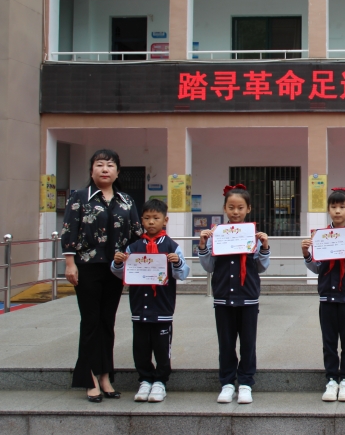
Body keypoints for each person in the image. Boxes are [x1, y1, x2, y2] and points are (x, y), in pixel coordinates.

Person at [61, 149, 143, 402]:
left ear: (117, 172)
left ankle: (105, 375)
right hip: (87, 266)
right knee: (91, 321)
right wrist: (70, 264)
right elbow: (69, 232)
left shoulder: (126, 200)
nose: (105, 169)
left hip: (115, 269)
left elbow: (136, 234)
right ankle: (90, 378)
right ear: (91, 170)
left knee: (107, 321)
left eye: (110, 165)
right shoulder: (79, 197)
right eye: (99, 164)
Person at [111, 198, 190, 402]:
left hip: (162, 308)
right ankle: (145, 379)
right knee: (140, 347)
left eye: (156, 218)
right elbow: (121, 274)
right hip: (139, 308)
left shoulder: (172, 246)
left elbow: (183, 274)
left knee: (162, 347)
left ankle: (160, 382)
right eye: (147, 218)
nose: (151, 222)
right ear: (141, 221)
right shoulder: (133, 247)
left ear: (165, 220)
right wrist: (118, 263)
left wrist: (177, 263)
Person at [198, 184, 271, 405]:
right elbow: (209, 266)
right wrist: (203, 245)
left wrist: (264, 247)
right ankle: (227, 384)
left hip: (248, 296)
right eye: (231, 207)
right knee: (226, 343)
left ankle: (246, 383)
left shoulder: (254, 236)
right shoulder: (216, 235)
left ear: (249, 209)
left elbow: (261, 267)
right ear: (225, 208)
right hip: (223, 297)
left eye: (240, 207)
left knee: (248, 343)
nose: (236, 212)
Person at [301, 187, 345, 402]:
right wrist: (306, 253)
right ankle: (332, 380)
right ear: (328, 210)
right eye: (333, 207)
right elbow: (316, 268)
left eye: (342, 206)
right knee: (329, 342)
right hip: (327, 298)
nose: (338, 211)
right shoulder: (321, 236)